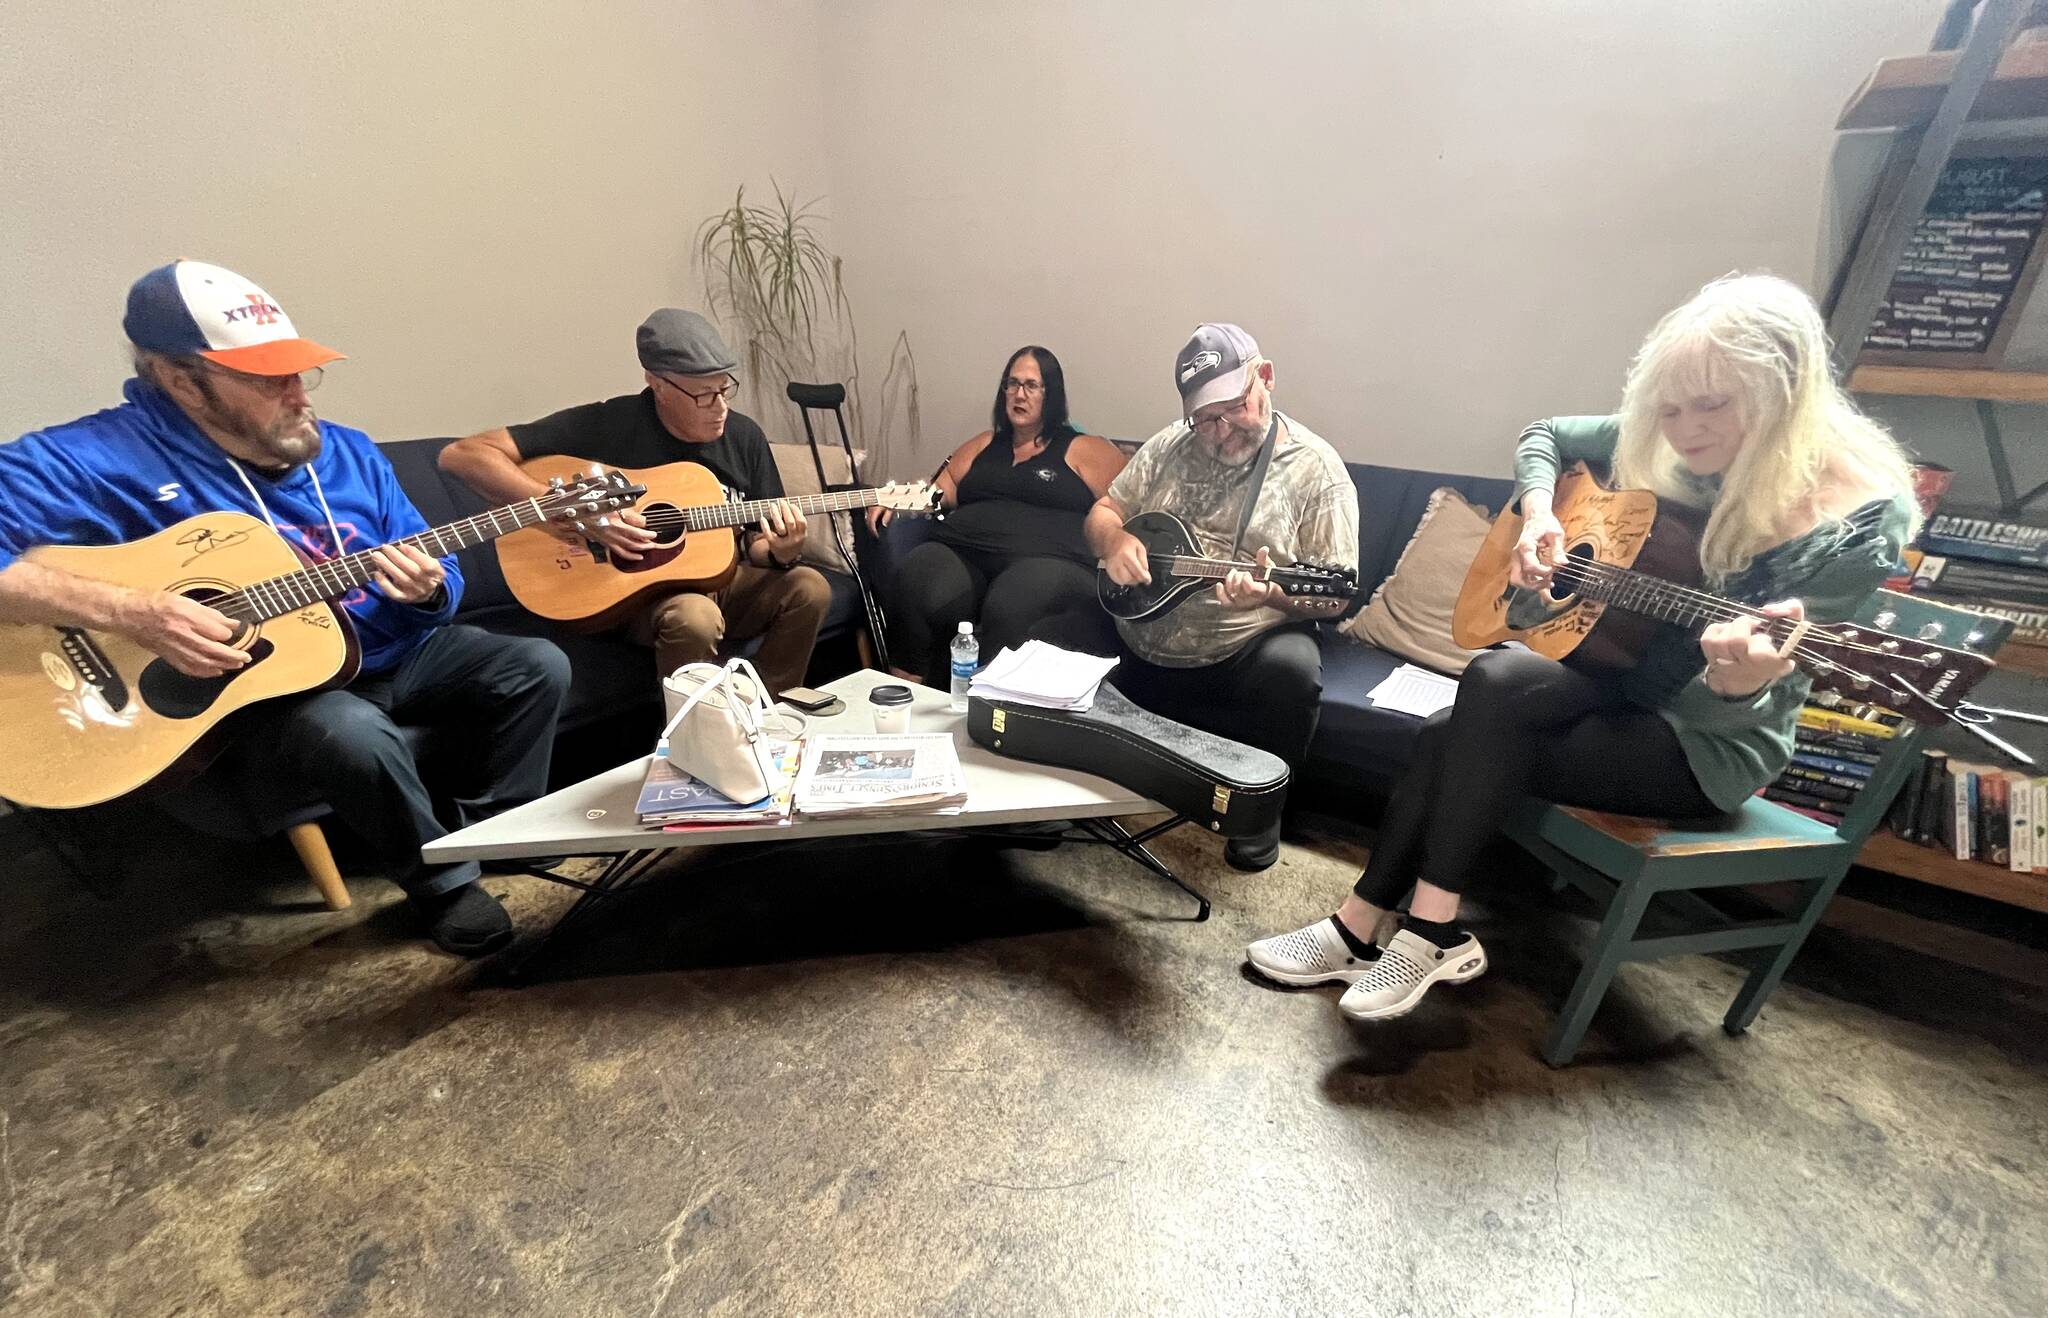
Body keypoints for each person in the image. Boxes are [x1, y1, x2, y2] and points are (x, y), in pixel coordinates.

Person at [1246, 273, 1921, 1021]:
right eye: (1668, 409)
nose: (1686, 431)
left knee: (1452, 737)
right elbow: (1547, 435)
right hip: (1622, 681)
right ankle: (1404, 928)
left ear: (1785, 391)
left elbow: (1757, 690)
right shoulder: (1674, 443)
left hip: (1703, 740)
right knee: (1496, 678)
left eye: (1712, 406)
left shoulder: (1859, 520)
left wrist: (1740, 680)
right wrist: (1540, 514)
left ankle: (1383, 925)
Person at [0, 260, 571, 956]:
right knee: (349, 731)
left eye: (299, 371)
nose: (298, 393)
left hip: (387, 648)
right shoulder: (97, 459)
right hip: (273, 694)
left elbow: (441, 569)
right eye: (268, 378)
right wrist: (139, 612)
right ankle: (445, 886)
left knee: (535, 663)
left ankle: (500, 828)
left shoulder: (352, 454)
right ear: (182, 380)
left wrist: (427, 590)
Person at [1038, 323, 1360, 872]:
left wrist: (1274, 598)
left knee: (1293, 670)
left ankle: (1259, 811)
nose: (1218, 429)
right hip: (1138, 629)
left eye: (1231, 408)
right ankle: (1057, 784)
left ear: (1266, 377)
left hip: (1235, 652)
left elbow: (1335, 598)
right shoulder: (1170, 444)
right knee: (1054, 623)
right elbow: (1104, 512)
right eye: (1204, 418)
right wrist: (1114, 540)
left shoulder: (1317, 472)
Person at [439, 309, 828, 693]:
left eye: (724, 389)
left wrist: (779, 550)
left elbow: (756, 544)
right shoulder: (607, 426)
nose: (720, 406)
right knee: (696, 616)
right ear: (657, 384)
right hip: (628, 593)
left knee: (809, 587)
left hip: (719, 577)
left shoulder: (743, 437)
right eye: (703, 395)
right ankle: (689, 744)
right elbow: (462, 456)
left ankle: (767, 717)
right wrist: (572, 511)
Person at [865, 345, 1125, 685]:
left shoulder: (1085, 448)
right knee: (917, 576)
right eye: (1012, 384)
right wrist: (900, 499)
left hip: (1049, 562)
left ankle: (988, 716)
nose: (1019, 394)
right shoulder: (984, 444)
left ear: (1052, 394)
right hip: (964, 551)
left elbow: (1126, 503)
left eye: (1031, 386)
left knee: (1011, 602)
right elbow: (938, 491)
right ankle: (902, 699)